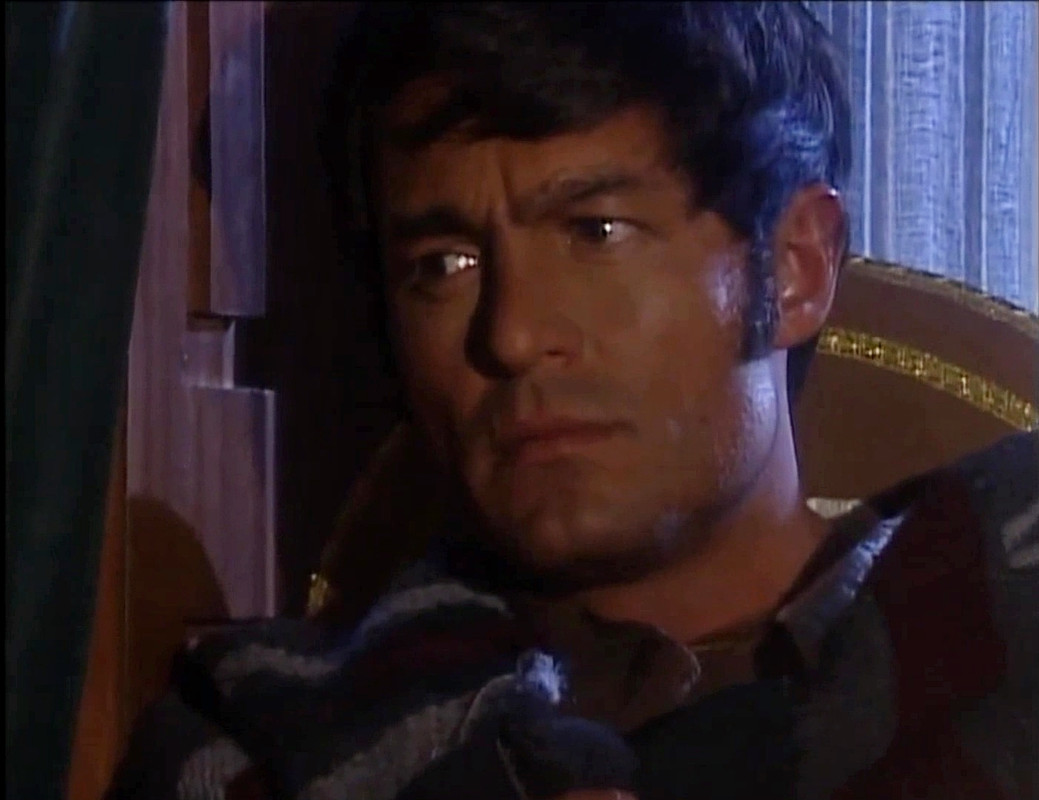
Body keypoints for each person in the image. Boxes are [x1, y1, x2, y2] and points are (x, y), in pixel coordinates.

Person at [107, 3, 1038, 799]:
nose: (511, 335)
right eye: (443, 265)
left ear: (792, 267)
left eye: (596, 232)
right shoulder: (264, 736)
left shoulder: (996, 650)